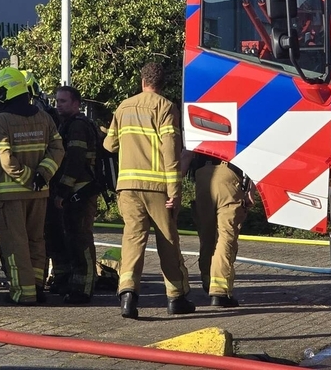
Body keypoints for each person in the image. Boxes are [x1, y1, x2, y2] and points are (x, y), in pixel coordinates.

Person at [105, 62, 194, 318]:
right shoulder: (165, 107)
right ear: (161, 83)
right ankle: (176, 298)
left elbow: (109, 145)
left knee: (132, 240)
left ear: (142, 81)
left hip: (127, 187)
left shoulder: (123, 107)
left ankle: (128, 295)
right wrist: (175, 191)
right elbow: (170, 151)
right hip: (157, 187)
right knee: (167, 242)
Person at [0, 67, 65, 305]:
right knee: (36, 241)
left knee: (16, 245)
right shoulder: (45, 118)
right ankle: (37, 286)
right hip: (39, 192)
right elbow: (57, 150)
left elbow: (5, 159)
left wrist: (27, 177)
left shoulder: (2, 120)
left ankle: (23, 293)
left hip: (11, 194)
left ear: (8, 91)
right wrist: (42, 176)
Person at [47, 85, 99, 304]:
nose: (58, 105)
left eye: (63, 101)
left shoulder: (77, 126)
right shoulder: (66, 125)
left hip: (80, 192)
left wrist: (63, 191)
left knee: (81, 240)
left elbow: (75, 161)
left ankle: (84, 287)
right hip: (73, 192)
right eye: (57, 101)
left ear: (76, 104)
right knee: (69, 238)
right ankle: (69, 281)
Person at [183, 150, 252, 307]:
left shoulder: (199, 126)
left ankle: (208, 282)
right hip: (229, 175)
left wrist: (172, 187)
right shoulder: (238, 125)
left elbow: (186, 155)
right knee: (225, 237)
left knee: (206, 236)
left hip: (202, 178)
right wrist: (251, 191)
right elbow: (252, 152)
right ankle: (219, 291)